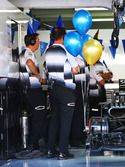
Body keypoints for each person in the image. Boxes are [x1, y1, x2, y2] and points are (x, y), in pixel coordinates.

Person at [45, 27, 80, 159]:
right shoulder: (66, 51)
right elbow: (75, 70)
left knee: (54, 120)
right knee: (66, 122)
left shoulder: (48, 51)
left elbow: (47, 70)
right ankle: (63, 151)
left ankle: (50, 149)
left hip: (53, 88)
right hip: (66, 89)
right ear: (63, 37)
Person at [19, 33, 47, 152]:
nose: (39, 42)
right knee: (39, 116)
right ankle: (35, 144)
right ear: (32, 42)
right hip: (33, 90)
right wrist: (39, 77)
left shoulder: (24, 53)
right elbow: (29, 63)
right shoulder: (28, 53)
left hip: (29, 89)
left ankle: (35, 142)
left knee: (37, 116)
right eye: (38, 40)